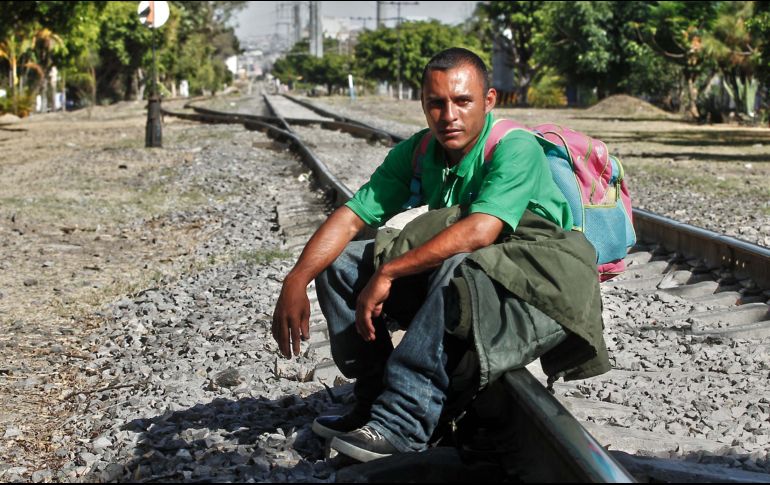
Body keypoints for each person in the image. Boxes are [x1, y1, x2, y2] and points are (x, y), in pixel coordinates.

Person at [271, 47, 609, 463]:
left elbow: (481, 231)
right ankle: (374, 403)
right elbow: (352, 216)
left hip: (538, 288)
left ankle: (404, 423)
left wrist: (390, 272)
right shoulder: (419, 152)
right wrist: (296, 279)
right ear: (424, 105)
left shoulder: (514, 147)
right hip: (476, 281)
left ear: (489, 101)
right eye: (436, 103)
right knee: (341, 266)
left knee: (457, 265)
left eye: (462, 101)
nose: (449, 114)